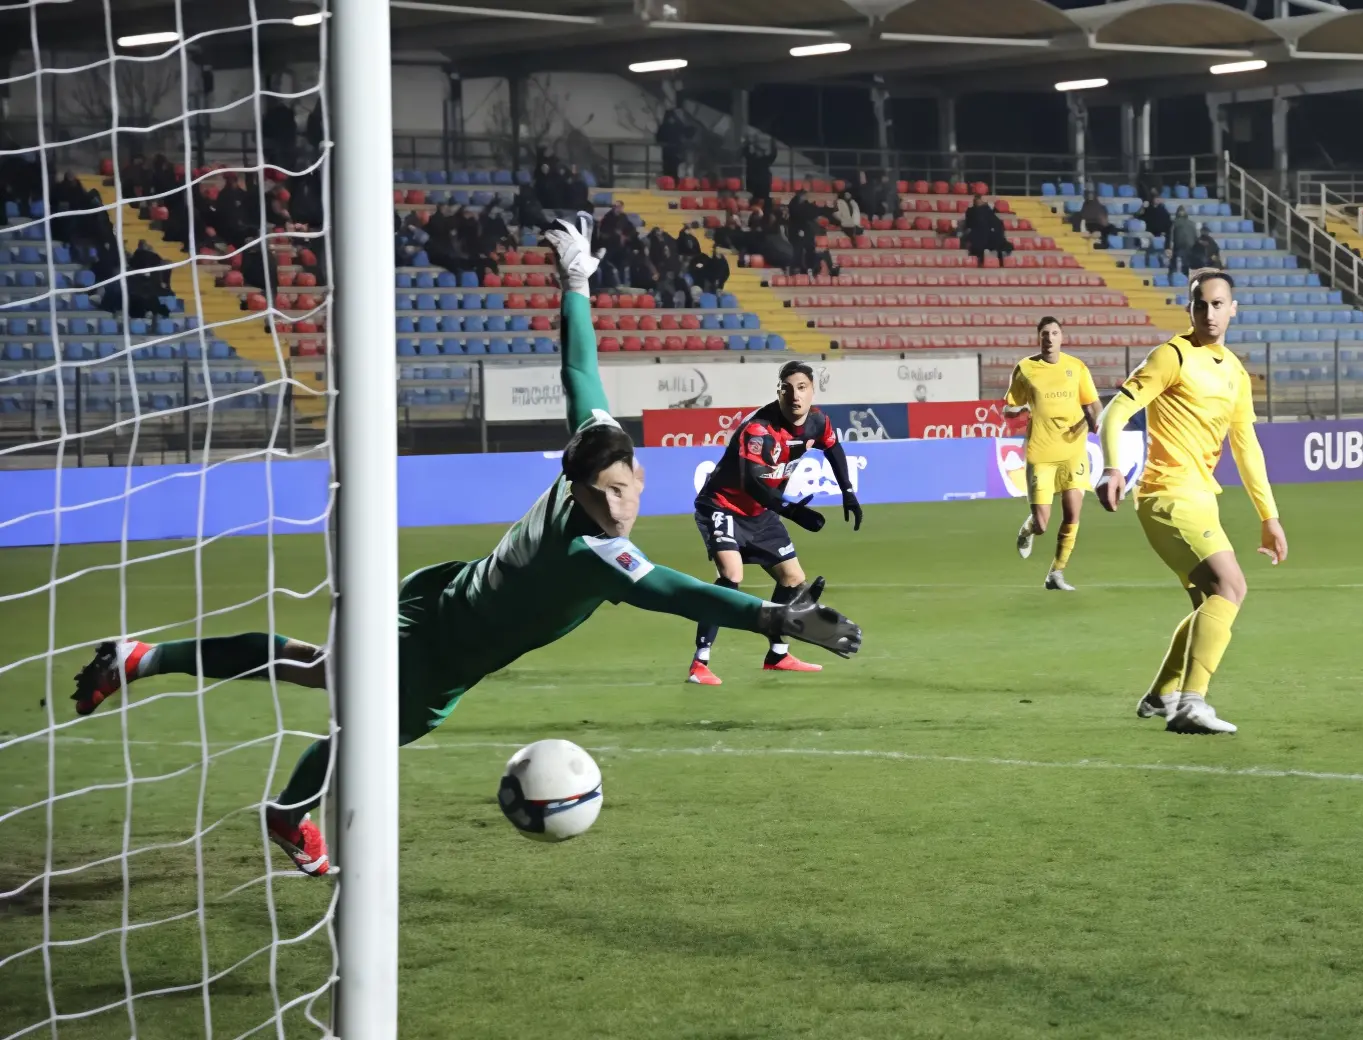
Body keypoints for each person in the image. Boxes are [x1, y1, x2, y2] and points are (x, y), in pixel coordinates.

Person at [71, 220, 863, 876]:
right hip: (451, 646)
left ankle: (143, 661)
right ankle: (283, 812)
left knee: (314, 669)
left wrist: (577, 282)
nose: (621, 506)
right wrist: (772, 617)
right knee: (361, 721)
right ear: (578, 489)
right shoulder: (594, 552)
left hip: (441, 593)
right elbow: (674, 591)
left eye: (629, 489)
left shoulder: (593, 440)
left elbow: (579, 367)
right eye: (604, 497)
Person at [1096, 271, 1287, 735]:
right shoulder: (1172, 356)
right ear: (1190, 309)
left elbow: (1247, 448)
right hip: (1167, 495)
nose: (1210, 313)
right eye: (1201, 305)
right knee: (1232, 587)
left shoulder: (1235, 373)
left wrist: (1269, 516)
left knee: (1210, 601)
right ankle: (1190, 704)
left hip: (1201, 499)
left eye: (1218, 304)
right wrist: (1112, 467)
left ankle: (1163, 693)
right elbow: (1115, 412)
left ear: (1233, 308)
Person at [687, 359, 864, 686]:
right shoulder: (759, 429)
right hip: (722, 505)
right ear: (778, 392)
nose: (795, 396)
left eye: (802, 388)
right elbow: (754, 483)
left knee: (793, 578)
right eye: (787, 388)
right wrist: (793, 511)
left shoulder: (817, 421)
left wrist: (848, 492)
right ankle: (700, 662)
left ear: (813, 390)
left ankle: (777, 654)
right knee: (731, 574)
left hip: (760, 513)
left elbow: (833, 448)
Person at [1004, 317, 1100, 591]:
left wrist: (1096, 423)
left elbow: (1093, 404)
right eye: (1045, 333)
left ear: (1061, 337)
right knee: (1043, 523)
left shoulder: (1076, 367)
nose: (1049, 338)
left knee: (1072, 514)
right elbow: (1008, 408)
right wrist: (1020, 411)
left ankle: (1056, 573)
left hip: (1073, 451)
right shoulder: (1025, 369)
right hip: (1041, 452)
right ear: (1039, 337)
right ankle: (1028, 529)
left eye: (1054, 333)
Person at [1168, 206, 1198, 275]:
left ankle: (1177, 275)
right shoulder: (1191, 223)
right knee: (1186, 264)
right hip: (1188, 246)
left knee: (1179, 264)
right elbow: (1196, 236)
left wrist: (1170, 248)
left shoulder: (1175, 223)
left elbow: (1171, 237)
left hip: (1181, 246)